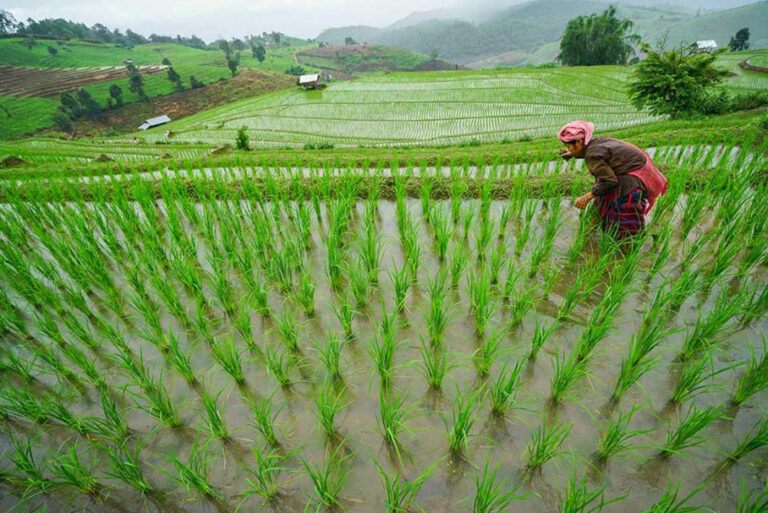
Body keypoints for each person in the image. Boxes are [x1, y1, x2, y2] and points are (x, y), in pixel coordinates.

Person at [558, 121, 668, 239]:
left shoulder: (593, 154)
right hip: (625, 178)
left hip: (629, 186)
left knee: (624, 231)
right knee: (600, 215)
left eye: (568, 146)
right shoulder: (596, 143)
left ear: (579, 142)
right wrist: (571, 153)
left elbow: (609, 182)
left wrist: (586, 197)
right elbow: (590, 152)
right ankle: (591, 238)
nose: (568, 149)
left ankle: (651, 238)